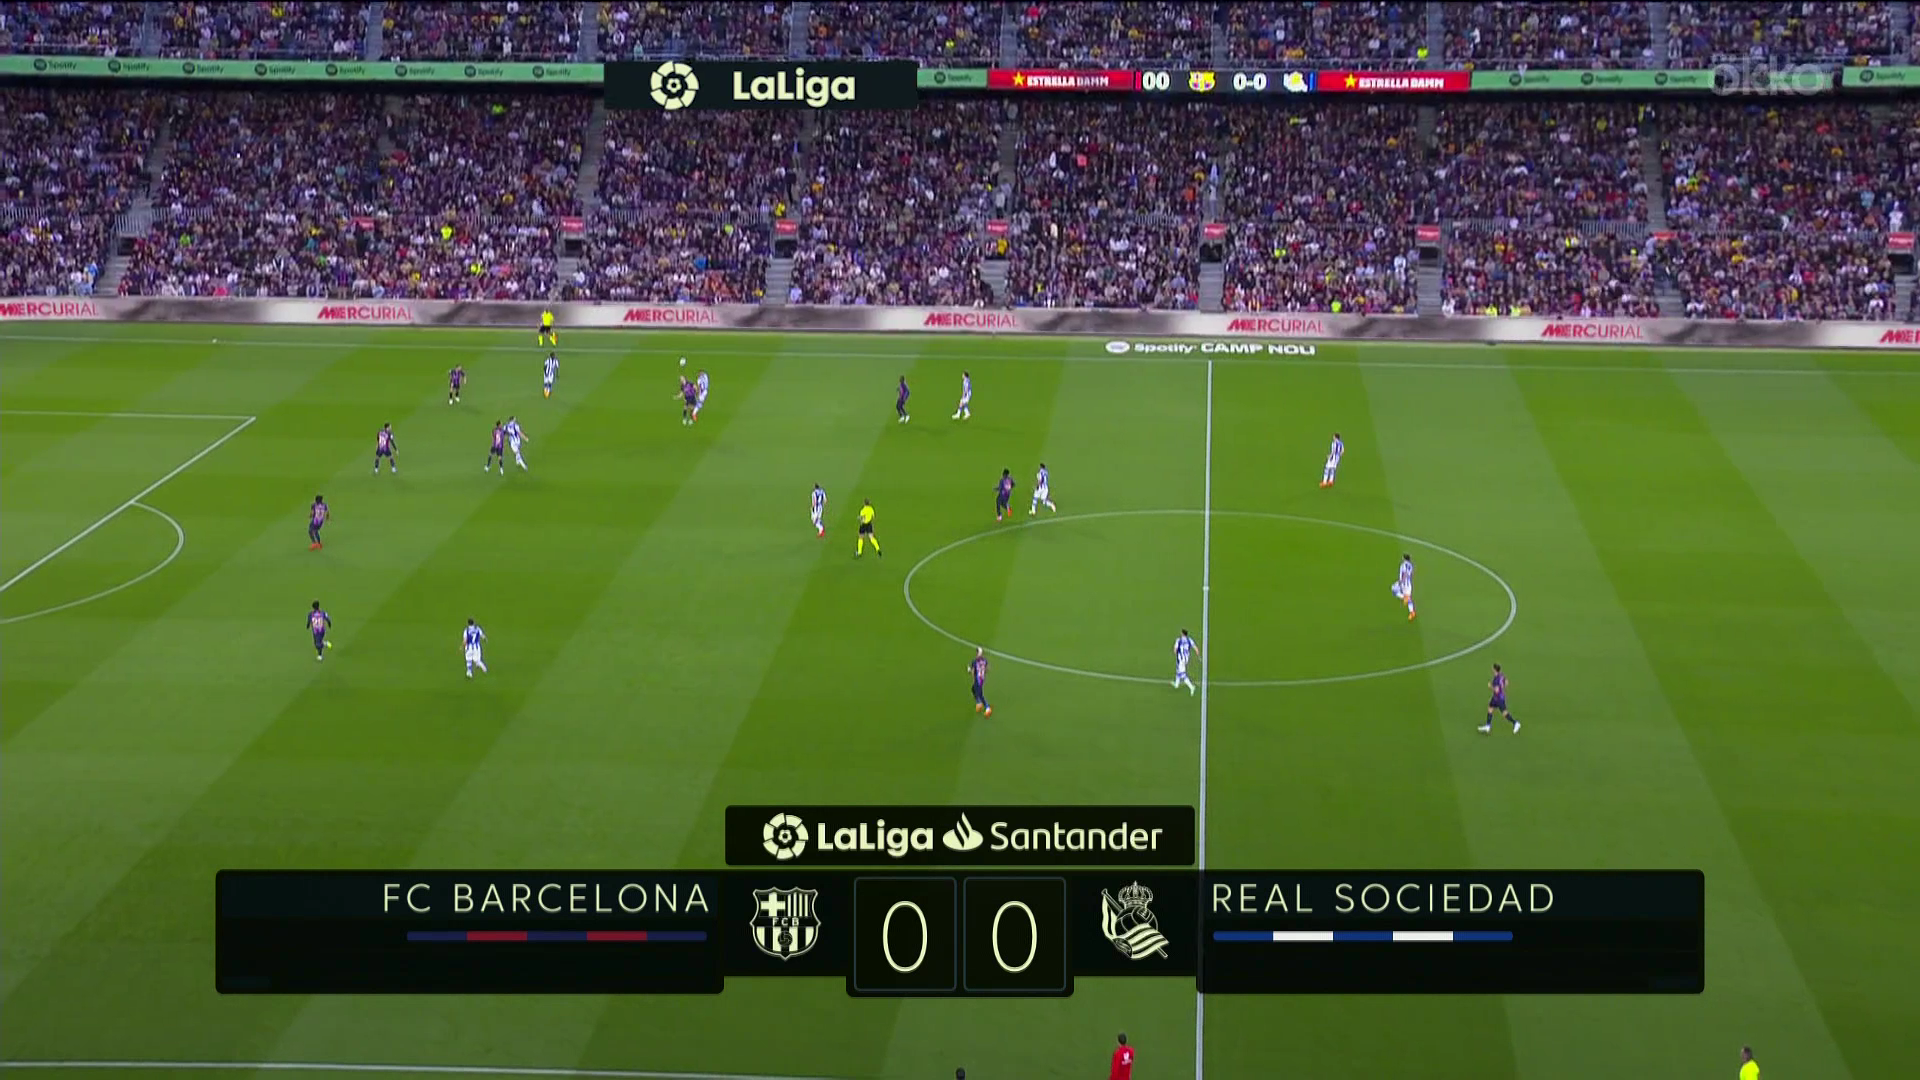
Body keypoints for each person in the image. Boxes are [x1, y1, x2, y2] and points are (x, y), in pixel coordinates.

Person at [1479, 663, 1518, 734]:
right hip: (1496, 697)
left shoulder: (1496, 679)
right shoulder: (1501, 675)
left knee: (1504, 713)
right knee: (1490, 708)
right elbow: (1507, 682)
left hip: (1499, 698)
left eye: (1492, 668)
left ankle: (1515, 723)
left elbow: (1496, 690)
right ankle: (1488, 726)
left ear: (1494, 669)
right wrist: (1502, 688)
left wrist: (1490, 686)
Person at [969, 647, 992, 717]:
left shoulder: (974, 661)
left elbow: (973, 672)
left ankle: (987, 708)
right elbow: (988, 669)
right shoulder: (985, 661)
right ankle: (979, 703)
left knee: (980, 695)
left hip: (978, 679)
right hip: (982, 678)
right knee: (973, 689)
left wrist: (969, 671)